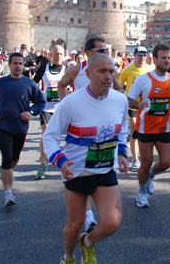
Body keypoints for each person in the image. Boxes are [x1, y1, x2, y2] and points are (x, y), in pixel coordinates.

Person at [43, 53, 129, 264]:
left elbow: (122, 128)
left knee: (112, 222)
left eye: (111, 71)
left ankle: (87, 243)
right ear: (88, 73)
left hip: (105, 169)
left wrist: (121, 152)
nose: (108, 76)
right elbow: (50, 137)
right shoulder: (71, 102)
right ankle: (68, 257)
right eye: (102, 71)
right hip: (78, 171)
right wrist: (61, 162)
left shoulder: (120, 100)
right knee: (75, 225)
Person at [57, 35, 124, 231]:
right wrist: (65, 105)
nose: (105, 53)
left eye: (106, 50)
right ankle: (86, 215)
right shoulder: (75, 70)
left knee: (112, 219)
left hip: (103, 120)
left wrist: (119, 105)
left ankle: (87, 225)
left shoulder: (110, 72)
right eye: (100, 51)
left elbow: (119, 91)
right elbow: (61, 85)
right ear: (88, 53)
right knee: (82, 169)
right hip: (80, 122)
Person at [0, 52, 45, 207]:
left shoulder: (29, 83)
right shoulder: (1, 82)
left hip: (20, 127)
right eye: (15, 63)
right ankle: (8, 193)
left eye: (20, 63)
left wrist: (31, 112)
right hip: (3, 125)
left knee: (15, 157)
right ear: (9, 65)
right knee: (6, 158)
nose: (18, 66)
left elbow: (40, 102)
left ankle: (7, 173)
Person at [126, 44, 170, 208]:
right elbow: (128, 99)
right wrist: (139, 104)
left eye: (169, 58)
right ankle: (141, 191)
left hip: (165, 128)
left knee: (166, 163)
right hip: (145, 128)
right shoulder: (143, 79)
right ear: (154, 59)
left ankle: (149, 176)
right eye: (163, 58)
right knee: (146, 162)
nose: (167, 61)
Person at [33, 45, 67, 180]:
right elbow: (33, 83)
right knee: (46, 133)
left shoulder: (67, 70)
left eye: (60, 54)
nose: (58, 56)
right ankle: (42, 163)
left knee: (62, 136)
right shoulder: (44, 68)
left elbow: (73, 87)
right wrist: (36, 97)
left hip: (61, 108)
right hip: (46, 107)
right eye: (56, 54)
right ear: (51, 55)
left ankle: (65, 161)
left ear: (63, 55)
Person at [119, 46, 152, 172]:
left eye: (145, 54)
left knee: (145, 132)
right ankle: (135, 159)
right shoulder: (127, 70)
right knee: (134, 129)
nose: (143, 57)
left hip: (146, 105)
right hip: (132, 104)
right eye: (140, 54)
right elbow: (119, 85)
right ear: (134, 55)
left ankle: (145, 158)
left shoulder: (150, 69)